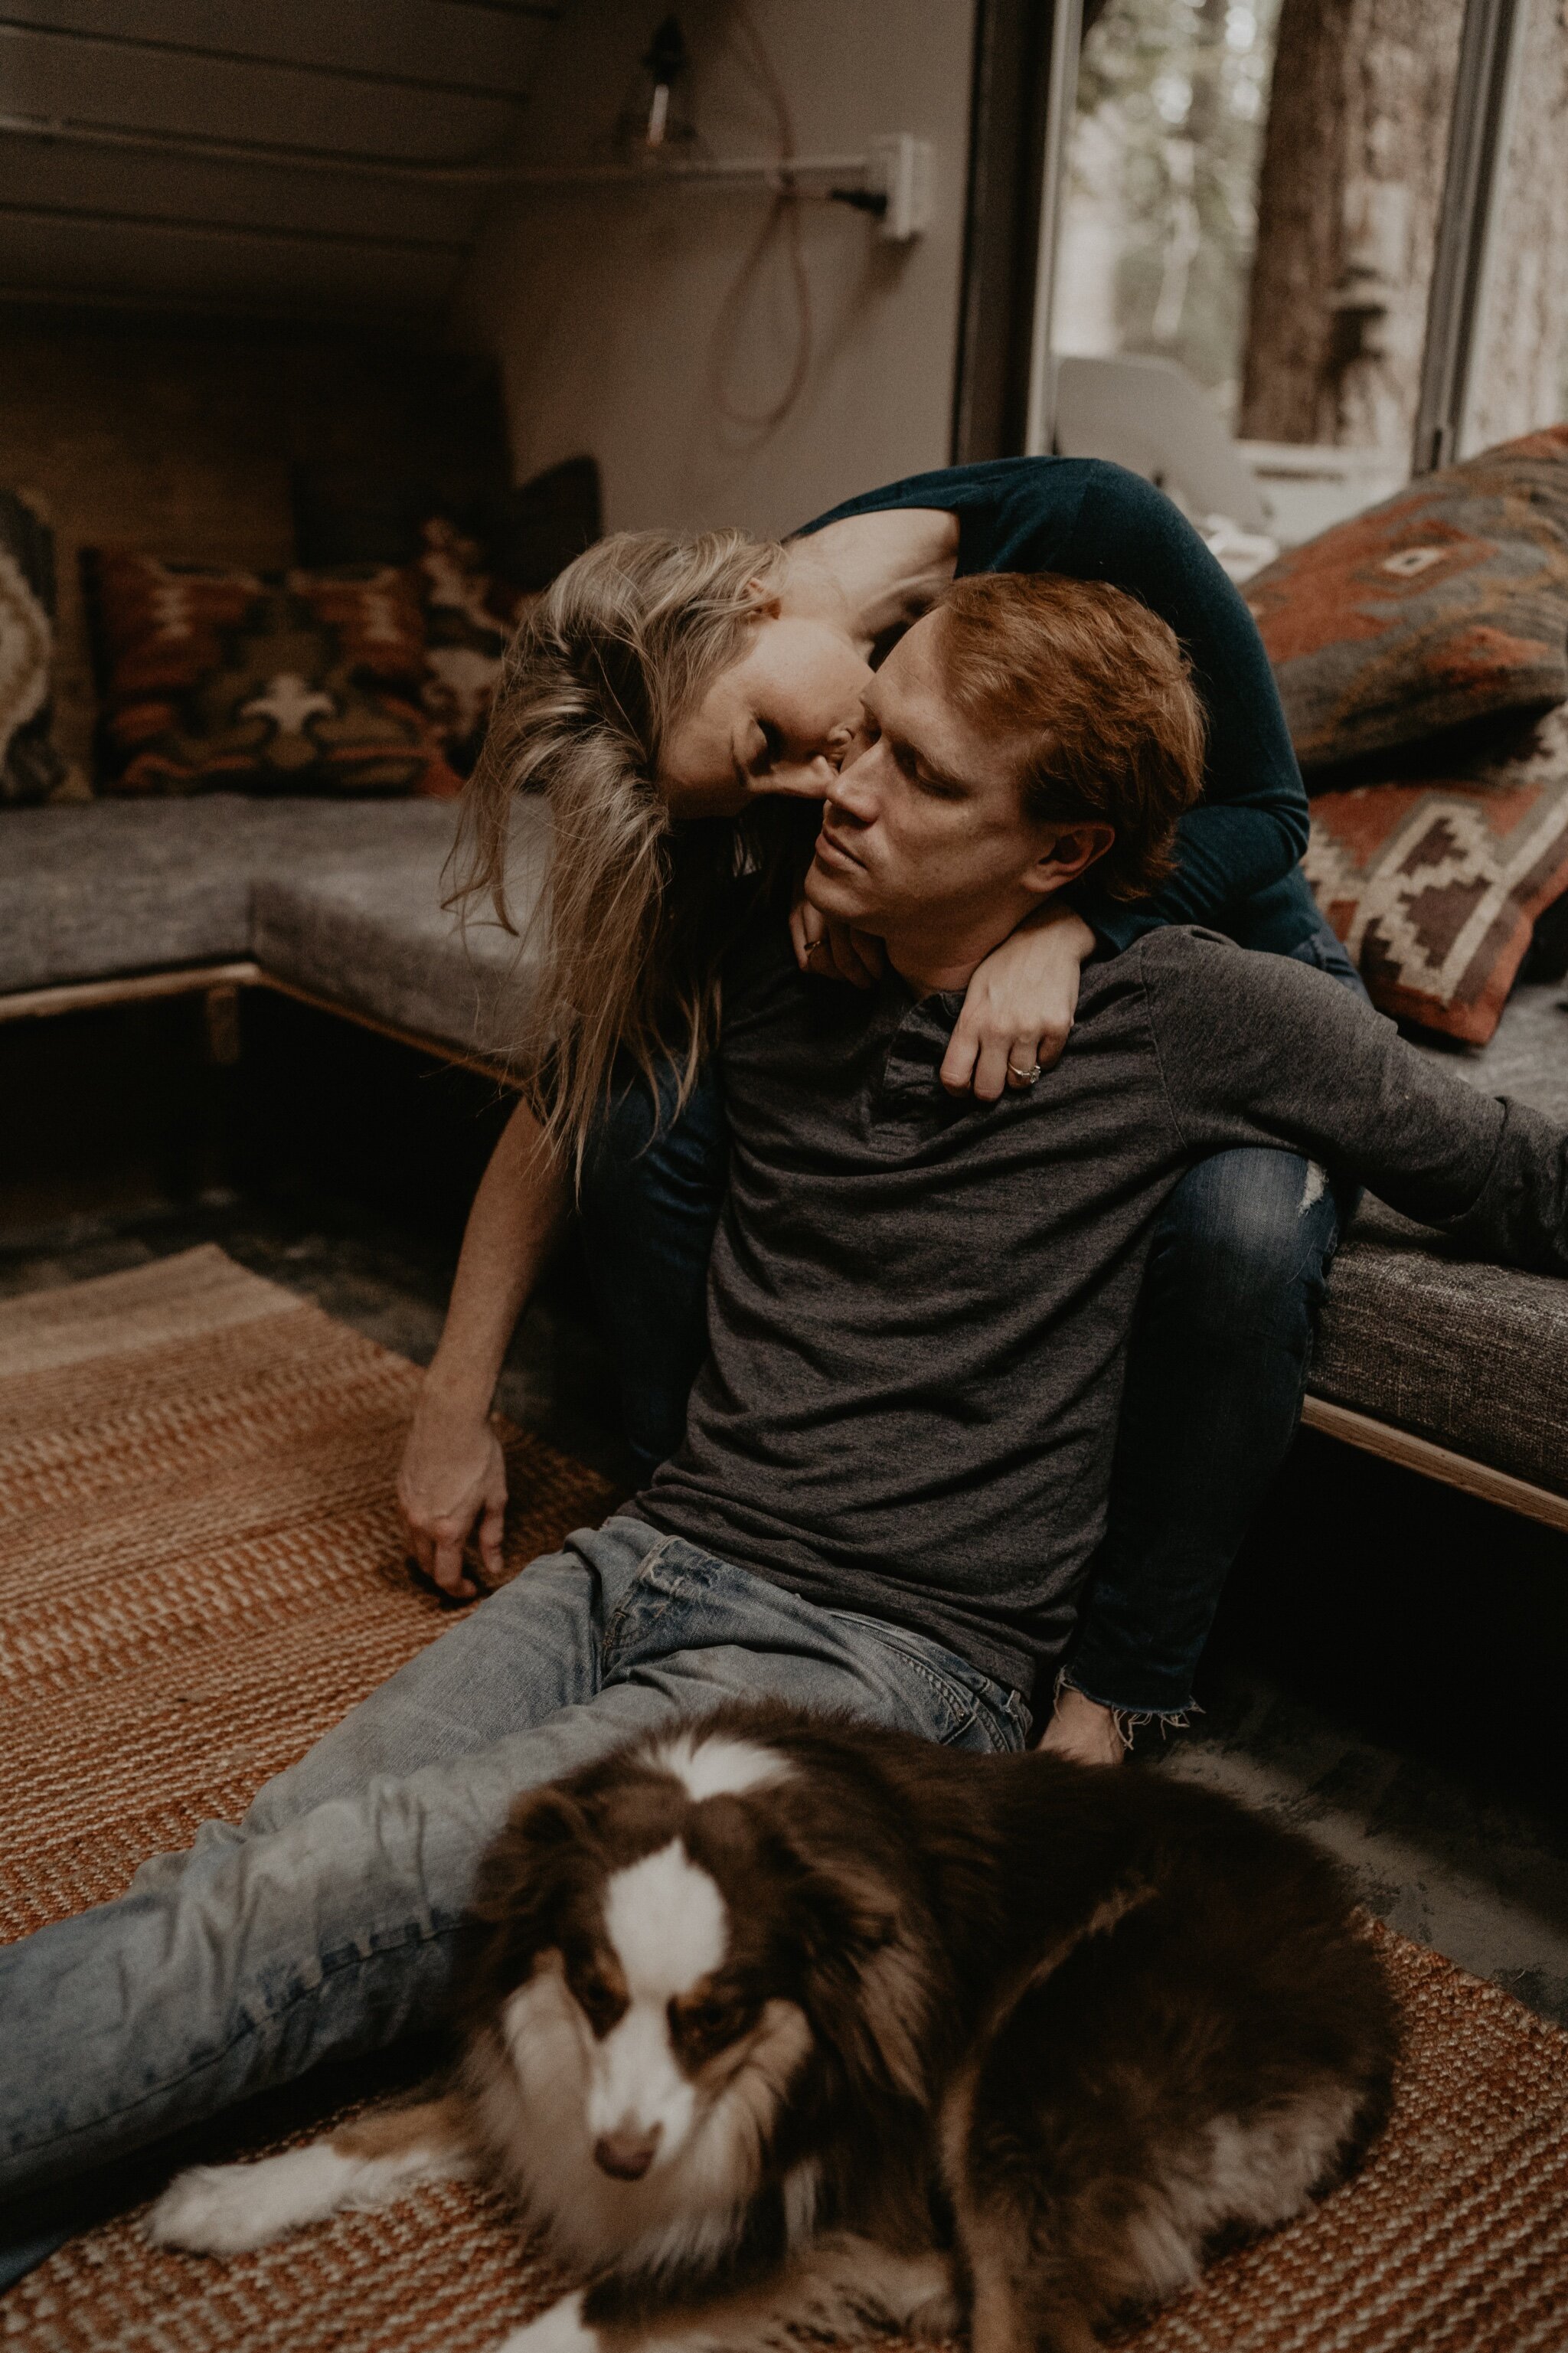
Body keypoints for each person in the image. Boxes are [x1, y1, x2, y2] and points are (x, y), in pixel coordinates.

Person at [5, 572, 1564, 2283]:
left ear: (1058, 857)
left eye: (921, 775)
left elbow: (1506, 1176)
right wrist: (455, 1398)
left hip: (876, 1656)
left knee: (326, 1898)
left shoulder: (1194, 1013)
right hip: (648, 1551)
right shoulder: (786, 924)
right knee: (264, 1853)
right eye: (867, 734)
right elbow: (572, 1074)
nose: (849, 786)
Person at [400, 458, 1361, 1770]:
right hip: (955, 953)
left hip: (1213, 952)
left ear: (751, 603)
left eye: (769, 748)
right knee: (643, 1104)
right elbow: (585, 1069)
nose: (810, 789)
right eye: (762, 798)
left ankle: (1125, 1681)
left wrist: (1078, 925)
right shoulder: (782, 734)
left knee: (1245, 1235)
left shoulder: (1089, 525)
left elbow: (1268, 811)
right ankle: (694, 1516)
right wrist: (453, 1405)